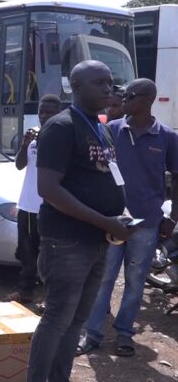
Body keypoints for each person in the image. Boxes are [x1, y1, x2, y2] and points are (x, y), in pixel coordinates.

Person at [27, 60, 134, 382]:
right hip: (67, 241)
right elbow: (48, 189)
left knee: (78, 320)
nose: (108, 88)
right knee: (58, 318)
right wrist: (105, 221)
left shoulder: (100, 127)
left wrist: (120, 217)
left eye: (110, 81)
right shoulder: (61, 127)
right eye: (99, 82)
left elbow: (103, 177)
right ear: (76, 87)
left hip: (98, 239)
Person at [78, 78, 178, 357]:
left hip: (146, 223)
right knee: (104, 278)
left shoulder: (167, 137)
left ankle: (124, 333)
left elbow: (177, 177)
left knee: (135, 282)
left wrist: (172, 219)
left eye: (129, 96)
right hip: (111, 220)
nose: (123, 101)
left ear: (146, 100)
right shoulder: (111, 130)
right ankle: (93, 333)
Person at [7, 94, 62, 305]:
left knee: (50, 257)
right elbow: (20, 165)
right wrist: (24, 144)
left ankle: (50, 299)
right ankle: (25, 293)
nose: (44, 116)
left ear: (59, 113)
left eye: (50, 112)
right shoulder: (32, 136)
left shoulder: (62, 136)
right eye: (41, 111)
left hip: (51, 207)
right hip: (28, 205)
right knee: (26, 253)